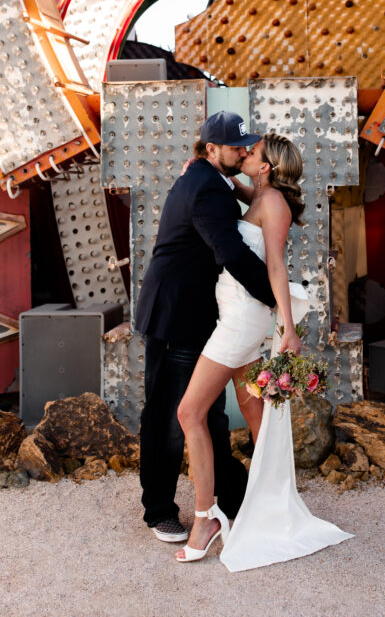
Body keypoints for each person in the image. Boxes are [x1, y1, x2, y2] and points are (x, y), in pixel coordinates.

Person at [175, 133, 352, 567]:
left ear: (267, 166)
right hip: (238, 311)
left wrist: (287, 327)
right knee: (252, 408)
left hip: (242, 320)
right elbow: (234, 186)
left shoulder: (272, 205)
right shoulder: (262, 194)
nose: (244, 155)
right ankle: (269, 505)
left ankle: (205, 519)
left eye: (251, 154)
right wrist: (202, 169)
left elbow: (275, 264)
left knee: (189, 413)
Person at [135, 110, 276, 543]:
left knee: (206, 413)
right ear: (212, 149)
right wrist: (277, 299)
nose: (244, 151)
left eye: (245, 145)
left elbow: (242, 199)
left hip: (193, 313)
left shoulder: (208, 178)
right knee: (168, 417)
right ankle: (159, 510)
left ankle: (231, 499)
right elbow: (230, 253)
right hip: (176, 316)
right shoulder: (207, 189)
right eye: (237, 147)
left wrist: (251, 182)